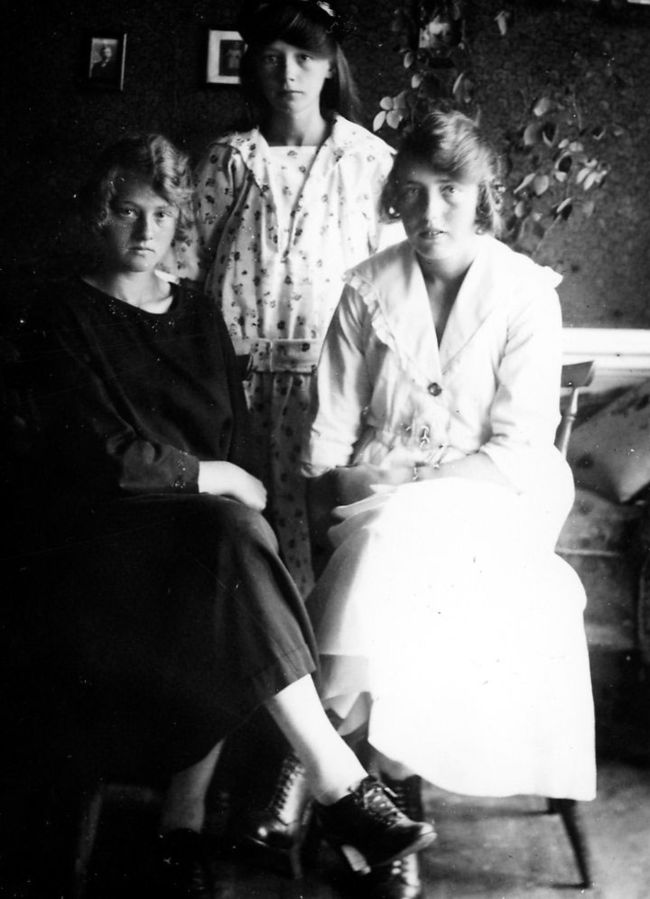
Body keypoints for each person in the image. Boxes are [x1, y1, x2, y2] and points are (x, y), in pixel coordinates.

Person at [15, 133, 434, 899]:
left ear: (181, 218)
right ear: (97, 214)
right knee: (230, 537)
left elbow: (232, 434)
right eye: (126, 211)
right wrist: (210, 476)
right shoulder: (62, 311)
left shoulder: (201, 314)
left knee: (234, 544)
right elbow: (98, 453)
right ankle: (334, 786)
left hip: (198, 545)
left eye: (162, 213)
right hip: (98, 546)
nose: (146, 230)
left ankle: (192, 825)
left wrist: (228, 481)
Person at [302, 110, 597, 898]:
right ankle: (382, 800)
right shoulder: (367, 289)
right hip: (372, 496)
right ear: (395, 195)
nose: (429, 213)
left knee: (401, 536)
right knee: (388, 535)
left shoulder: (524, 293)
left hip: (495, 498)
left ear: (482, 195)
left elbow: (516, 447)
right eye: (413, 191)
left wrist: (409, 489)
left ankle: (339, 766)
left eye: (451, 192)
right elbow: (329, 432)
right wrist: (339, 490)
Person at [171, 0, 401, 596]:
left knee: (324, 536)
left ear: (330, 65)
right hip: (234, 385)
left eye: (304, 58)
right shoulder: (229, 160)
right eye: (272, 58)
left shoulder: (370, 163)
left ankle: (315, 649)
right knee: (240, 532)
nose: (288, 74)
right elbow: (186, 272)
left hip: (329, 390)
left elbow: (393, 289)